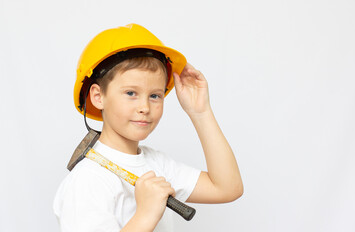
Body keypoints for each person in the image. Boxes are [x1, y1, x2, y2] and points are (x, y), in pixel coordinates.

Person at [53, 23, 243, 232]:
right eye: (131, 93)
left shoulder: (156, 163)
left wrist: (201, 112)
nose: (144, 107)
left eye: (154, 95)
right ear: (98, 97)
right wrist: (146, 214)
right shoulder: (87, 182)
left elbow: (227, 188)